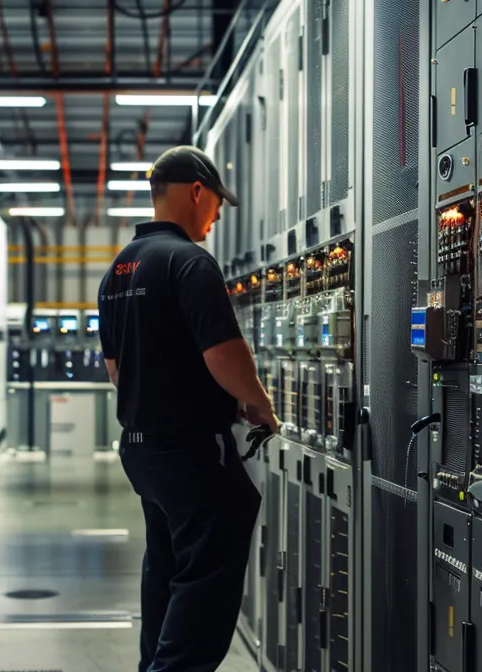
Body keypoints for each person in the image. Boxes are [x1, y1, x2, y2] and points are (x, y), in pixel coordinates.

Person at [97, 145, 280, 672]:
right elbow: (224, 354)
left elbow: (116, 370)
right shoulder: (189, 262)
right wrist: (259, 404)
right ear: (197, 192)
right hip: (190, 452)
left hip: (142, 452)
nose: (218, 215)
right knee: (206, 575)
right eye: (218, 203)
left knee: (166, 566)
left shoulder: (118, 271)